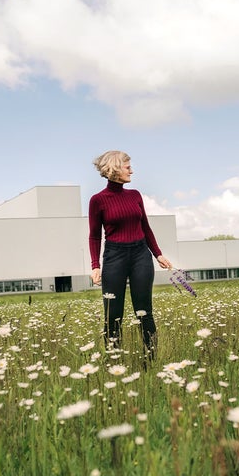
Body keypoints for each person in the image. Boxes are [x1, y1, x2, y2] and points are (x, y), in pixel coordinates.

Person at [88, 150, 172, 362]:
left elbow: (146, 226)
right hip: (114, 256)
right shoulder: (97, 200)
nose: (131, 170)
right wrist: (95, 265)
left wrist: (158, 254)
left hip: (140, 255)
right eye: (127, 166)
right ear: (115, 168)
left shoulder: (135, 195)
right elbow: (95, 236)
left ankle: (150, 362)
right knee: (112, 315)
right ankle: (114, 363)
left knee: (144, 311)